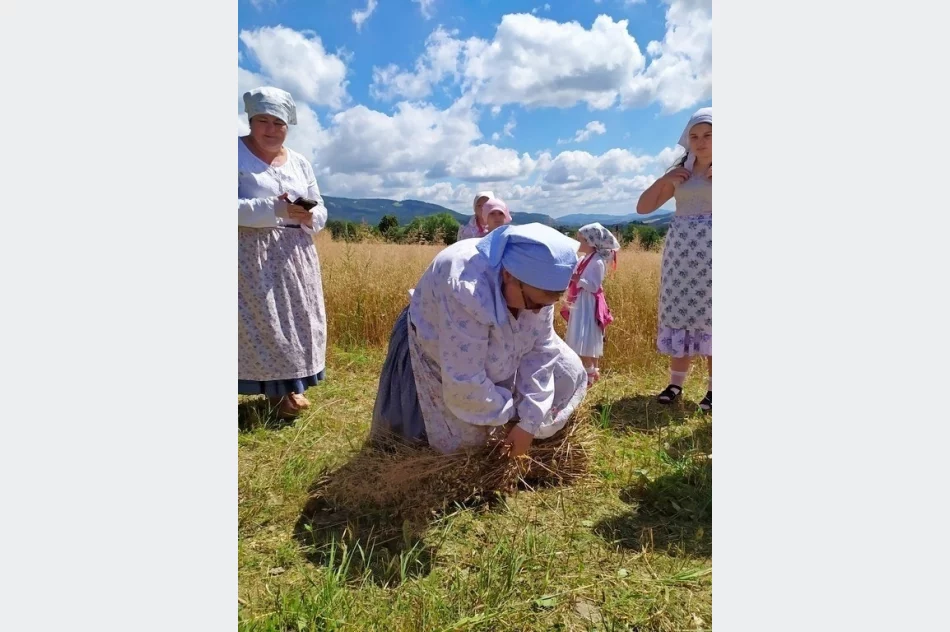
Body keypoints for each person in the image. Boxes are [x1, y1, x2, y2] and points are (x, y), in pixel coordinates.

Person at [371, 223, 589, 455]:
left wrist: (528, 422)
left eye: (547, 304)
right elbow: (466, 381)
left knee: (569, 370)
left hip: (496, 340)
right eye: (534, 304)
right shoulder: (464, 286)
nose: (537, 312)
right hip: (442, 337)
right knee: (466, 445)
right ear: (508, 276)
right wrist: (510, 417)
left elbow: (541, 351)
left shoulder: (538, 283)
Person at [238, 86, 329, 419]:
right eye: (263, 120)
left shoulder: (300, 163)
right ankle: (274, 395)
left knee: (296, 322)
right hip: (251, 253)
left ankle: (291, 387)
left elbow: (320, 209)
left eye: (279, 122)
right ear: (250, 120)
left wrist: (310, 215)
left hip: (295, 254)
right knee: (263, 323)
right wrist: (272, 209)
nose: (271, 129)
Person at [636, 106, 712, 412]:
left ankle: (714, 389)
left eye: (708, 135)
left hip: (714, 252)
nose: (700, 141)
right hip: (681, 252)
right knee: (680, 311)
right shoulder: (682, 173)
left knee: (713, 315)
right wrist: (665, 180)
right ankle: (675, 382)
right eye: (694, 136)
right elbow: (643, 208)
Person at [561, 223, 620, 386]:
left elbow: (594, 286)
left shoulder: (597, 262)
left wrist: (577, 280)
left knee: (585, 336)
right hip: (581, 300)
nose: (578, 242)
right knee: (587, 336)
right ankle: (592, 373)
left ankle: (590, 373)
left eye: (581, 239)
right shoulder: (584, 259)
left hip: (588, 302)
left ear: (591, 242)